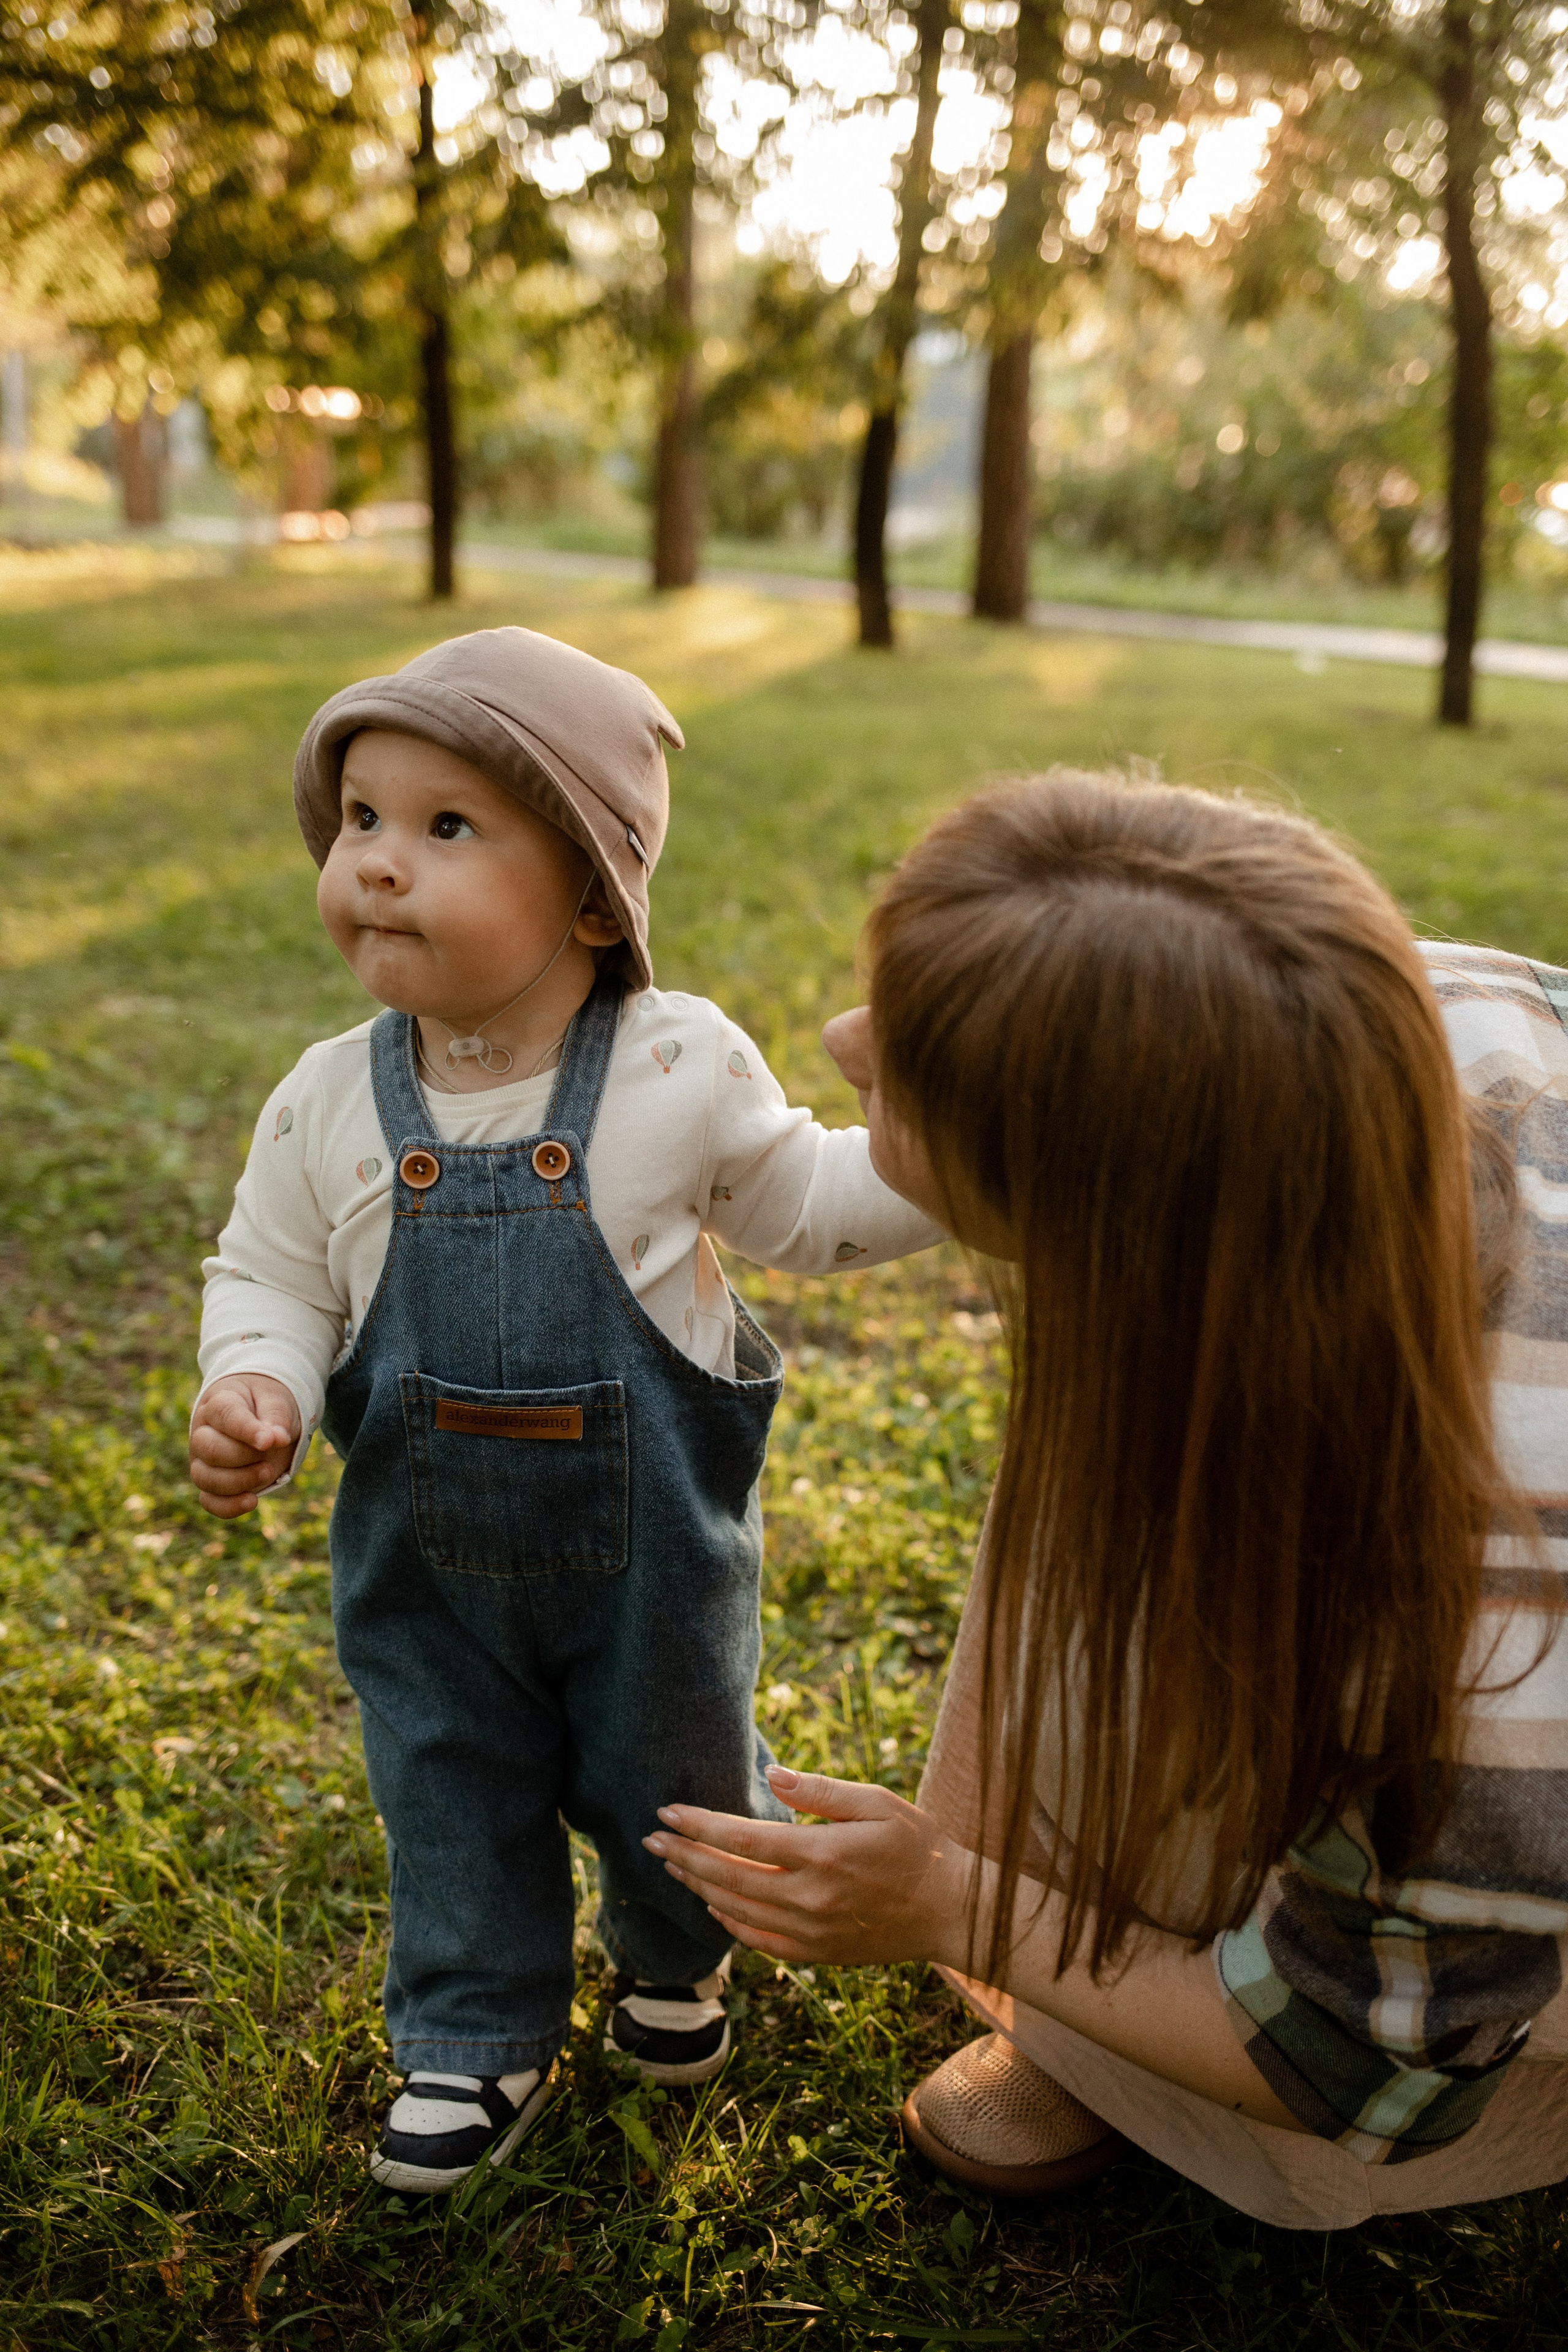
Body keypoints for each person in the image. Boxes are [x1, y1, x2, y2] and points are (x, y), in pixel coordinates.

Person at [645, 772, 1568, 2232]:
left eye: (908, 1063)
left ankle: (1138, 2024)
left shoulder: (1473, 1631)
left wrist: (947, 1900)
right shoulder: (1359, 1022)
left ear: (1116, 1211)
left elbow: (1372, 2065)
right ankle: (1104, 2000)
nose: (839, 1042)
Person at [185, 626, 941, 2196]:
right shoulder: (331, 1095)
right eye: (362, 820)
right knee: (446, 1783)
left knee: (675, 1776)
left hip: (650, 1567)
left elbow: (803, 1198)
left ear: (595, 895)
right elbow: (269, 1268)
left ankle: (674, 1966)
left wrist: (940, 1167)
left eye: (445, 826)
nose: (377, 865)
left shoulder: (673, 1063)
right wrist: (252, 1375)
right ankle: (472, 2033)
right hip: (428, 1577)